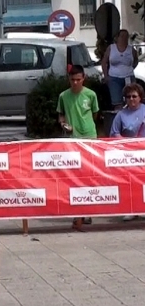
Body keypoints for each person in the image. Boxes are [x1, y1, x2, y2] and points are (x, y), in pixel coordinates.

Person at [57, 64, 99, 228]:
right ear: (69, 79)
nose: (75, 83)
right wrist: (63, 123)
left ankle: (88, 212)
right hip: (72, 140)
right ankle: (78, 211)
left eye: (78, 80)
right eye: (72, 80)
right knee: (75, 176)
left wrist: (86, 126)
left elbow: (95, 114)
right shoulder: (63, 96)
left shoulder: (91, 95)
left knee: (89, 175)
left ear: (84, 79)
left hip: (89, 138)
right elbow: (60, 114)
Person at [109, 83, 145, 222]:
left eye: (134, 96)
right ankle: (131, 209)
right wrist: (125, 142)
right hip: (128, 156)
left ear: (140, 97)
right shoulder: (121, 115)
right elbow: (114, 133)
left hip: (143, 154)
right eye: (128, 97)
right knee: (130, 183)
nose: (131, 99)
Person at [101, 29, 139, 111]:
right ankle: (119, 119)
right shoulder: (111, 48)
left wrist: (130, 69)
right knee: (117, 102)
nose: (124, 38)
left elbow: (135, 61)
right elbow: (104, 62)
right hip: (114, 78)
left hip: (128, 76)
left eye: (126, 36)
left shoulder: (131, 50)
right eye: (122, 36)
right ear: (117, 37)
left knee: (132, 99)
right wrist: (106, 76)